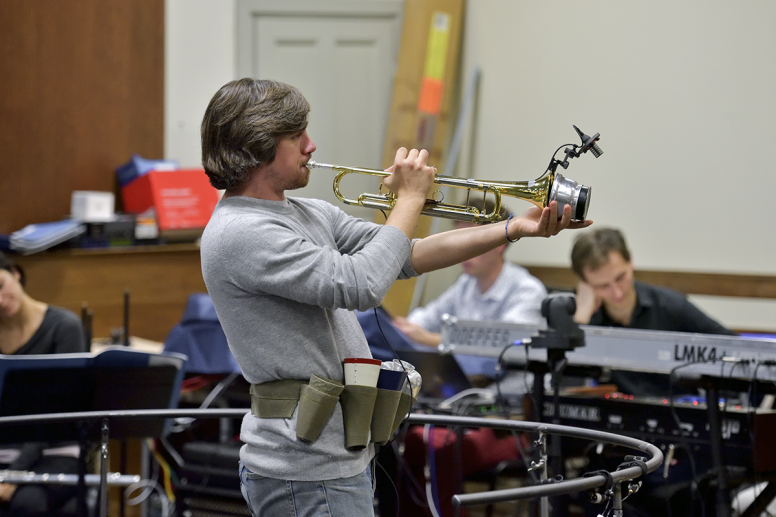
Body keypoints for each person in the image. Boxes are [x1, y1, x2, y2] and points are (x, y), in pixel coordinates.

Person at [198, 77, 590, 517]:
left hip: (335, 455)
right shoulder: (240, 233)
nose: (311, 145)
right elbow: (359, 284)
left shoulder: (306, 212)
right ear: (256, 145)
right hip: (304, 467)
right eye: (296, 136)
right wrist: (409, 200)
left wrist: (511, 229)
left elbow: (406, 254)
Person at [569, 228, 736, 517]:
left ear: (631, 262)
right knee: (590, 490)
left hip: (680, 434)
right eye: (603, 286)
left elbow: (731, 351)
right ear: (585, 284)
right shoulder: (585, 316)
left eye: (620, 277)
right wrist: (582, 318)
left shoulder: (670, 306)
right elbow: (566, 377)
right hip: (617, 438)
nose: (617, 292)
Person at [0, 251, 87, 516]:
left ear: (16, 273)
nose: (0, 301)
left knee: (28, 503)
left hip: (54, 451)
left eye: (0, 286)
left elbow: (54, 416)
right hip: (4, 450)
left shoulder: (64, 328)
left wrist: (14, 474)